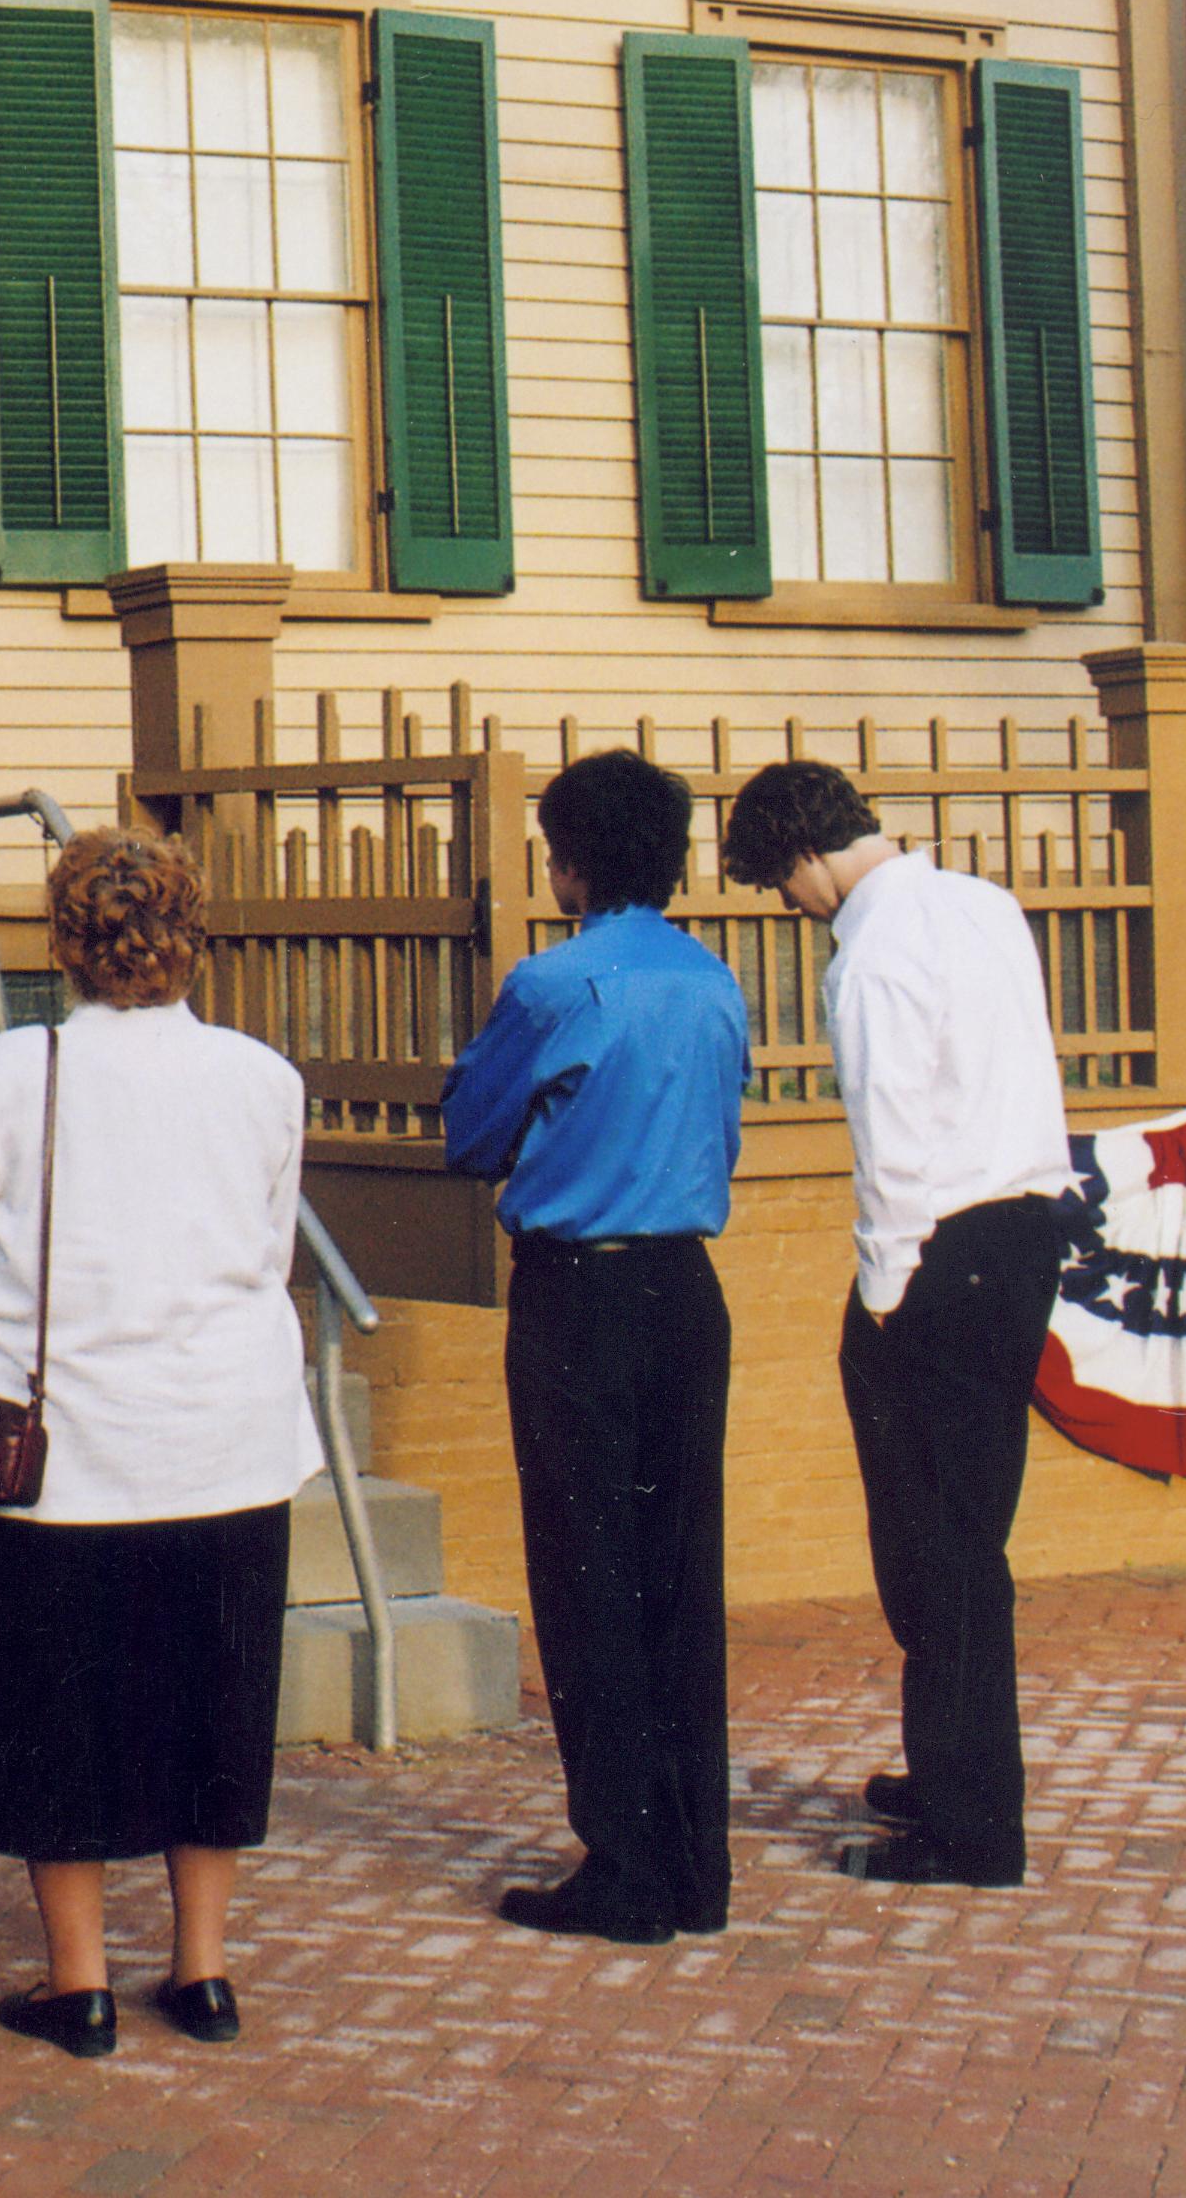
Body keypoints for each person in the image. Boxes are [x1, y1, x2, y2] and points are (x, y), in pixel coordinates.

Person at [0, 827, 317, 2060]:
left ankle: (78, 1983)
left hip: (56, 1449)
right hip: (227, 1438)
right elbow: (268, 1249)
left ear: (63, 941)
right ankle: (201, 1969)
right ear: (191, 935)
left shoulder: (4, 1070)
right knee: (216, 1698)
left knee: (51, 1706)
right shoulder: (261, 1075)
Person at [721, 760, 1073, 1891]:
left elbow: (892, 1143)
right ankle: (952, 1769)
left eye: (781, 884)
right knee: (968, 1527)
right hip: (1025, 1234)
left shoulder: (867, 957)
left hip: (938, 1254)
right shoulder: (985, 903)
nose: (788, 904)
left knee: (937, 1545)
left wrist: (881, 1296)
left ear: (804, 856)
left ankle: (972, 1828)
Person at [440, 750, 753, 1946]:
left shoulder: (552, 983)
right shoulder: (715, 980)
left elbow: (474, 1135)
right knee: (680, 1573)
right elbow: (717, 1135)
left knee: (586, 1575)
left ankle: (622, 1861)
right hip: (686, 1285)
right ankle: (694, 1863)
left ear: (565, 859)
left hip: (579, 1293)